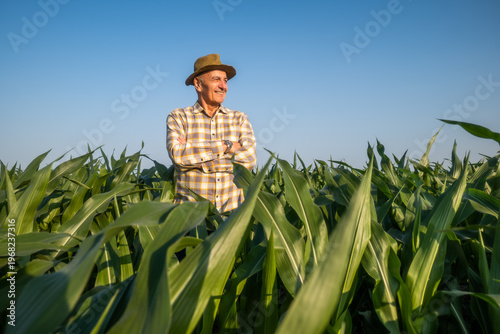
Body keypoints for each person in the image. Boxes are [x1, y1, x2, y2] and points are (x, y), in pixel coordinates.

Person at [166, 54, 257, 213]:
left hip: (231, 217)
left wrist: (198, 161)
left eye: (226, 80)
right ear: (198, 84)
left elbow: (249, 160)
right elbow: (179, 155)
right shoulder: (179, 116)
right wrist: (227, 146)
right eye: (216, 79)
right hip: (188, 217)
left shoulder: (239, 118)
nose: (224, 86)